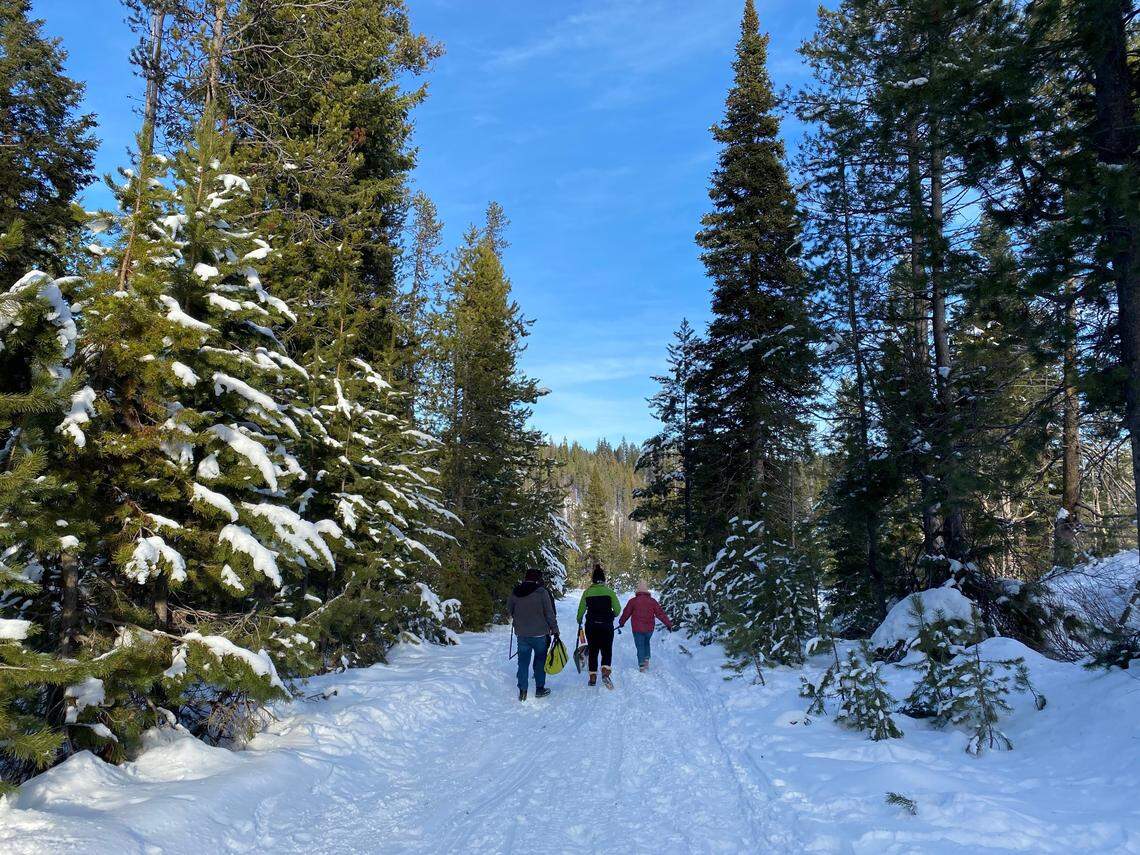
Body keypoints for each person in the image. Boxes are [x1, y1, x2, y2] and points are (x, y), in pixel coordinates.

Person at [507, 568, 559, 702]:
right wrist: (555, 630)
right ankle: (539, 689)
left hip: (522, 634)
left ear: (525, 577)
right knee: (540, 661)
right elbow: (549, 613)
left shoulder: (516, 591)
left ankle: (523, 690)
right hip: (540, 634)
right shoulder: (542, 592)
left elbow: (509, 609)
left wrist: (519, 618)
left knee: (523, 663)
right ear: (537, 578)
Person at [576, 564, 621, 689]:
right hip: (606, 626)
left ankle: (592, 677)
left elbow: (581, 609)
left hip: (591, 626)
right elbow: (617, 609)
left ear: (593, 580)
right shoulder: (609, 592)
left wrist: (579, 619)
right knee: (607, 650)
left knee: (593, 650)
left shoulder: (587, 592)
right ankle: (605, 673)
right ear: (604, 579)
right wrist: (612, 614)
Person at [619, 582, 674, 672]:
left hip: (637, 628)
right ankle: (646, 660)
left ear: (638, 591)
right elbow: (660, 613)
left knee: (640, 645)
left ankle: (641, 665)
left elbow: (626, 613)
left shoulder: (633, 601)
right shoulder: (652, 601)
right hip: (649, 629)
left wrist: (621, 622)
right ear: (646, 590)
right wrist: (668, 624)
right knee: (646, 642)